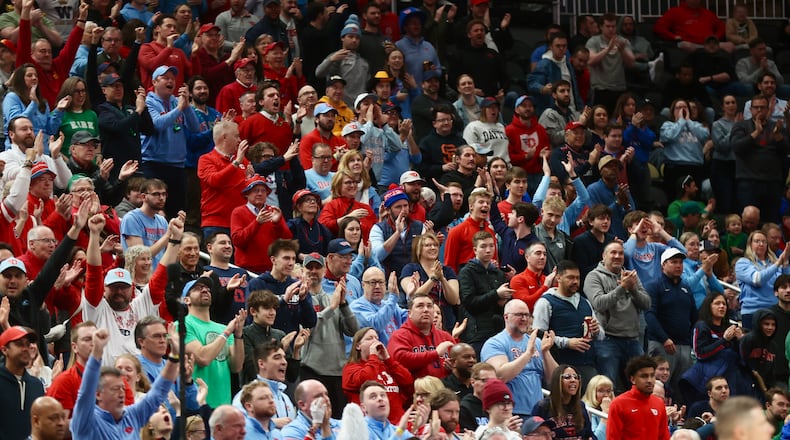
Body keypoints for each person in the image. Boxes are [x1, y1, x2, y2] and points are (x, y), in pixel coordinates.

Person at [69, 328, 179, 439]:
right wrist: (97, 351)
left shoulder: (132, 415)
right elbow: (86, 392)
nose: (121, 393)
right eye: (115, 389)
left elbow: (159, 391)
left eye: (122, 388)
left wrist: (174, 355)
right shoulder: (86, 421)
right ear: (98, 394)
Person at [584, 241, 651, 391]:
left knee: (640, 386)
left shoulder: (630, 276)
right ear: (603, 256)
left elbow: (647, 303)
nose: (617, 256)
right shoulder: (593, 276)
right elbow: (599, 303)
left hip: (632, 339)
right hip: (608, 339)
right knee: (608, 386)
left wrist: (632, 288)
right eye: (613, 253)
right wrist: (623, 288)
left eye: (620, 253)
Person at [481, 299, 557, 417]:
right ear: (506, 317)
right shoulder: (494, 343)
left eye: (527, 315)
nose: (524, 318)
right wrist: (527, 354)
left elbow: (554, 380)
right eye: (519, 315)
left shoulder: (536, 342)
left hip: (538, 413)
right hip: (509, 413)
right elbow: (500, 376)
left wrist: (546, 352)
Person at [532, 260, 602, 389]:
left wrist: (597, 330)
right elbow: (537, 335)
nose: (575, 281)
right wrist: (566, 342)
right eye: (570, 277)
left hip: (587, 365)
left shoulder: (585, 302)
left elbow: (601, 335)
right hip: (560, 366)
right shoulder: (546, 302)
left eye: (577, 278)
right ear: (558, 277)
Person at [183, 276, 247, 408]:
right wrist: (227, 333)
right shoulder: (183, 324)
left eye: (207, 288)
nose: (205, 290)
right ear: (186, 300)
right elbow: (202, 357)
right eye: (198, 288)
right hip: (198, 405)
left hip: (224, 405)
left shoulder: (222, 328)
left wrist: (238, 335)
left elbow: (236, 366)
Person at [645, 248, 699, 396]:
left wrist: (690, 340)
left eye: (681, 262)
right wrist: (664, 338)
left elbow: (694, 316)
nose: (678, 265)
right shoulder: (654, 286)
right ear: (663, 265)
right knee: (658, 385)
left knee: (681, 387)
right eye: (674, 262)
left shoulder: (685, 288)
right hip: (661, 344)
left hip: (684, 346)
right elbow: (649, 315)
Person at [731, 94, 790, 219]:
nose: (759, 110)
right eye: (756, 107)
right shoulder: (741, 126)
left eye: (762, 107)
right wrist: (756, 132)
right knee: (749, 219)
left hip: (772, 182)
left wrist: (778, 136)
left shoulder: (776, 126)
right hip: (748, 181)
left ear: (768, 109)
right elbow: (737, 147)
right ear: (750, 109)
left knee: (771, 220)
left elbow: (786, 150)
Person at [342, 327, 413, 424]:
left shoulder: (387, 365)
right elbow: (366, 380)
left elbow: (408, 380)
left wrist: (388, 359)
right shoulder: (350, 368)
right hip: (369, 426)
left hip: (397, 424)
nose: (375, 341)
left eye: (377, 338)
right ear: (358, 346)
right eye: (369, 338)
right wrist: (373, 357)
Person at [459, 231, 510, 354]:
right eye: (483, 246)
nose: (488, 250)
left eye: (491, 246)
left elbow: (501, 303)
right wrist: (496, 294)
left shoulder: (498, 273)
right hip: (477, 332)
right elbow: (470, 303)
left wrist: (504, 301)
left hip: (499, 330)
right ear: (475, 250)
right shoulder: (467, 272)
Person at [387, 293, 455, 379]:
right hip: (416, 390)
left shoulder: (445, 337)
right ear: (409, 313)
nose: (426, 310)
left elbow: (460, 361)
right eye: (420, 306)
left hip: (445, 389)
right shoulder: (399, 336)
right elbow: (400, 359)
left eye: (429, 306)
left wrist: (455, 367)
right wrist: (435, 353)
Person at [606, 355, 670, 439]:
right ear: (632, 379)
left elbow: (664, 436)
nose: (650, 380)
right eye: (644, 376)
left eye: (652, 375)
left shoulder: (659, 403)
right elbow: (612, 437)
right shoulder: (618, 404)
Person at [735, 230, 790, 329]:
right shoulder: (743, 263)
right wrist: (778, 263)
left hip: (776, 311)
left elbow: (785, 282)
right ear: (750, 245)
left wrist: (785, 263)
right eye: (757, 241)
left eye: (764, 241)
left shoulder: (773, 264)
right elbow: (757, 280)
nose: (761, 244)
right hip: (753, 312)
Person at [0, 326, 45, 440]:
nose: (26, 348)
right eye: (19, 344)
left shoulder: (37, 385)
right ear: (4, 350)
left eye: (28, 344)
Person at [531, 365, 595, 439]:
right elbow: (533, 435)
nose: (573, 380)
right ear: (557, 381)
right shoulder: (543, 406)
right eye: (567, 377)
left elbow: (589, 434)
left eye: (576, 377)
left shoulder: (580, 406)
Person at [317, 170, 376, 239]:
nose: (353, 185)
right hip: (342, 248)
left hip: (366, 248)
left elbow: (375, 232)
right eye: (348, 182)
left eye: (355, 182)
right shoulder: (332, 205)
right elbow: (323, 226)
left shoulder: (365, 208)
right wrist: (348, 218)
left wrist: (381, 219)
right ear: (338, 185)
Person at [654, 0, 732, 52]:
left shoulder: (708, 13)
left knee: (730, 46)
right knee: (687, 46)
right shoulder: (675, 12)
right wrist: (673, 37)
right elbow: (659, 27)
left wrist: (715, 38)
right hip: (689, 45)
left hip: (710, 44)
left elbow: (721, 28)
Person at [739, 309, 778, 388]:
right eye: (766, 324)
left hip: (763, 388)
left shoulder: (773, 346)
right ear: (758, 324)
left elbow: (771, 373)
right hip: (744, 385)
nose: (770, 327)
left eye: (773, 325)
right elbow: (740, 363)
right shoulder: (748, 340)